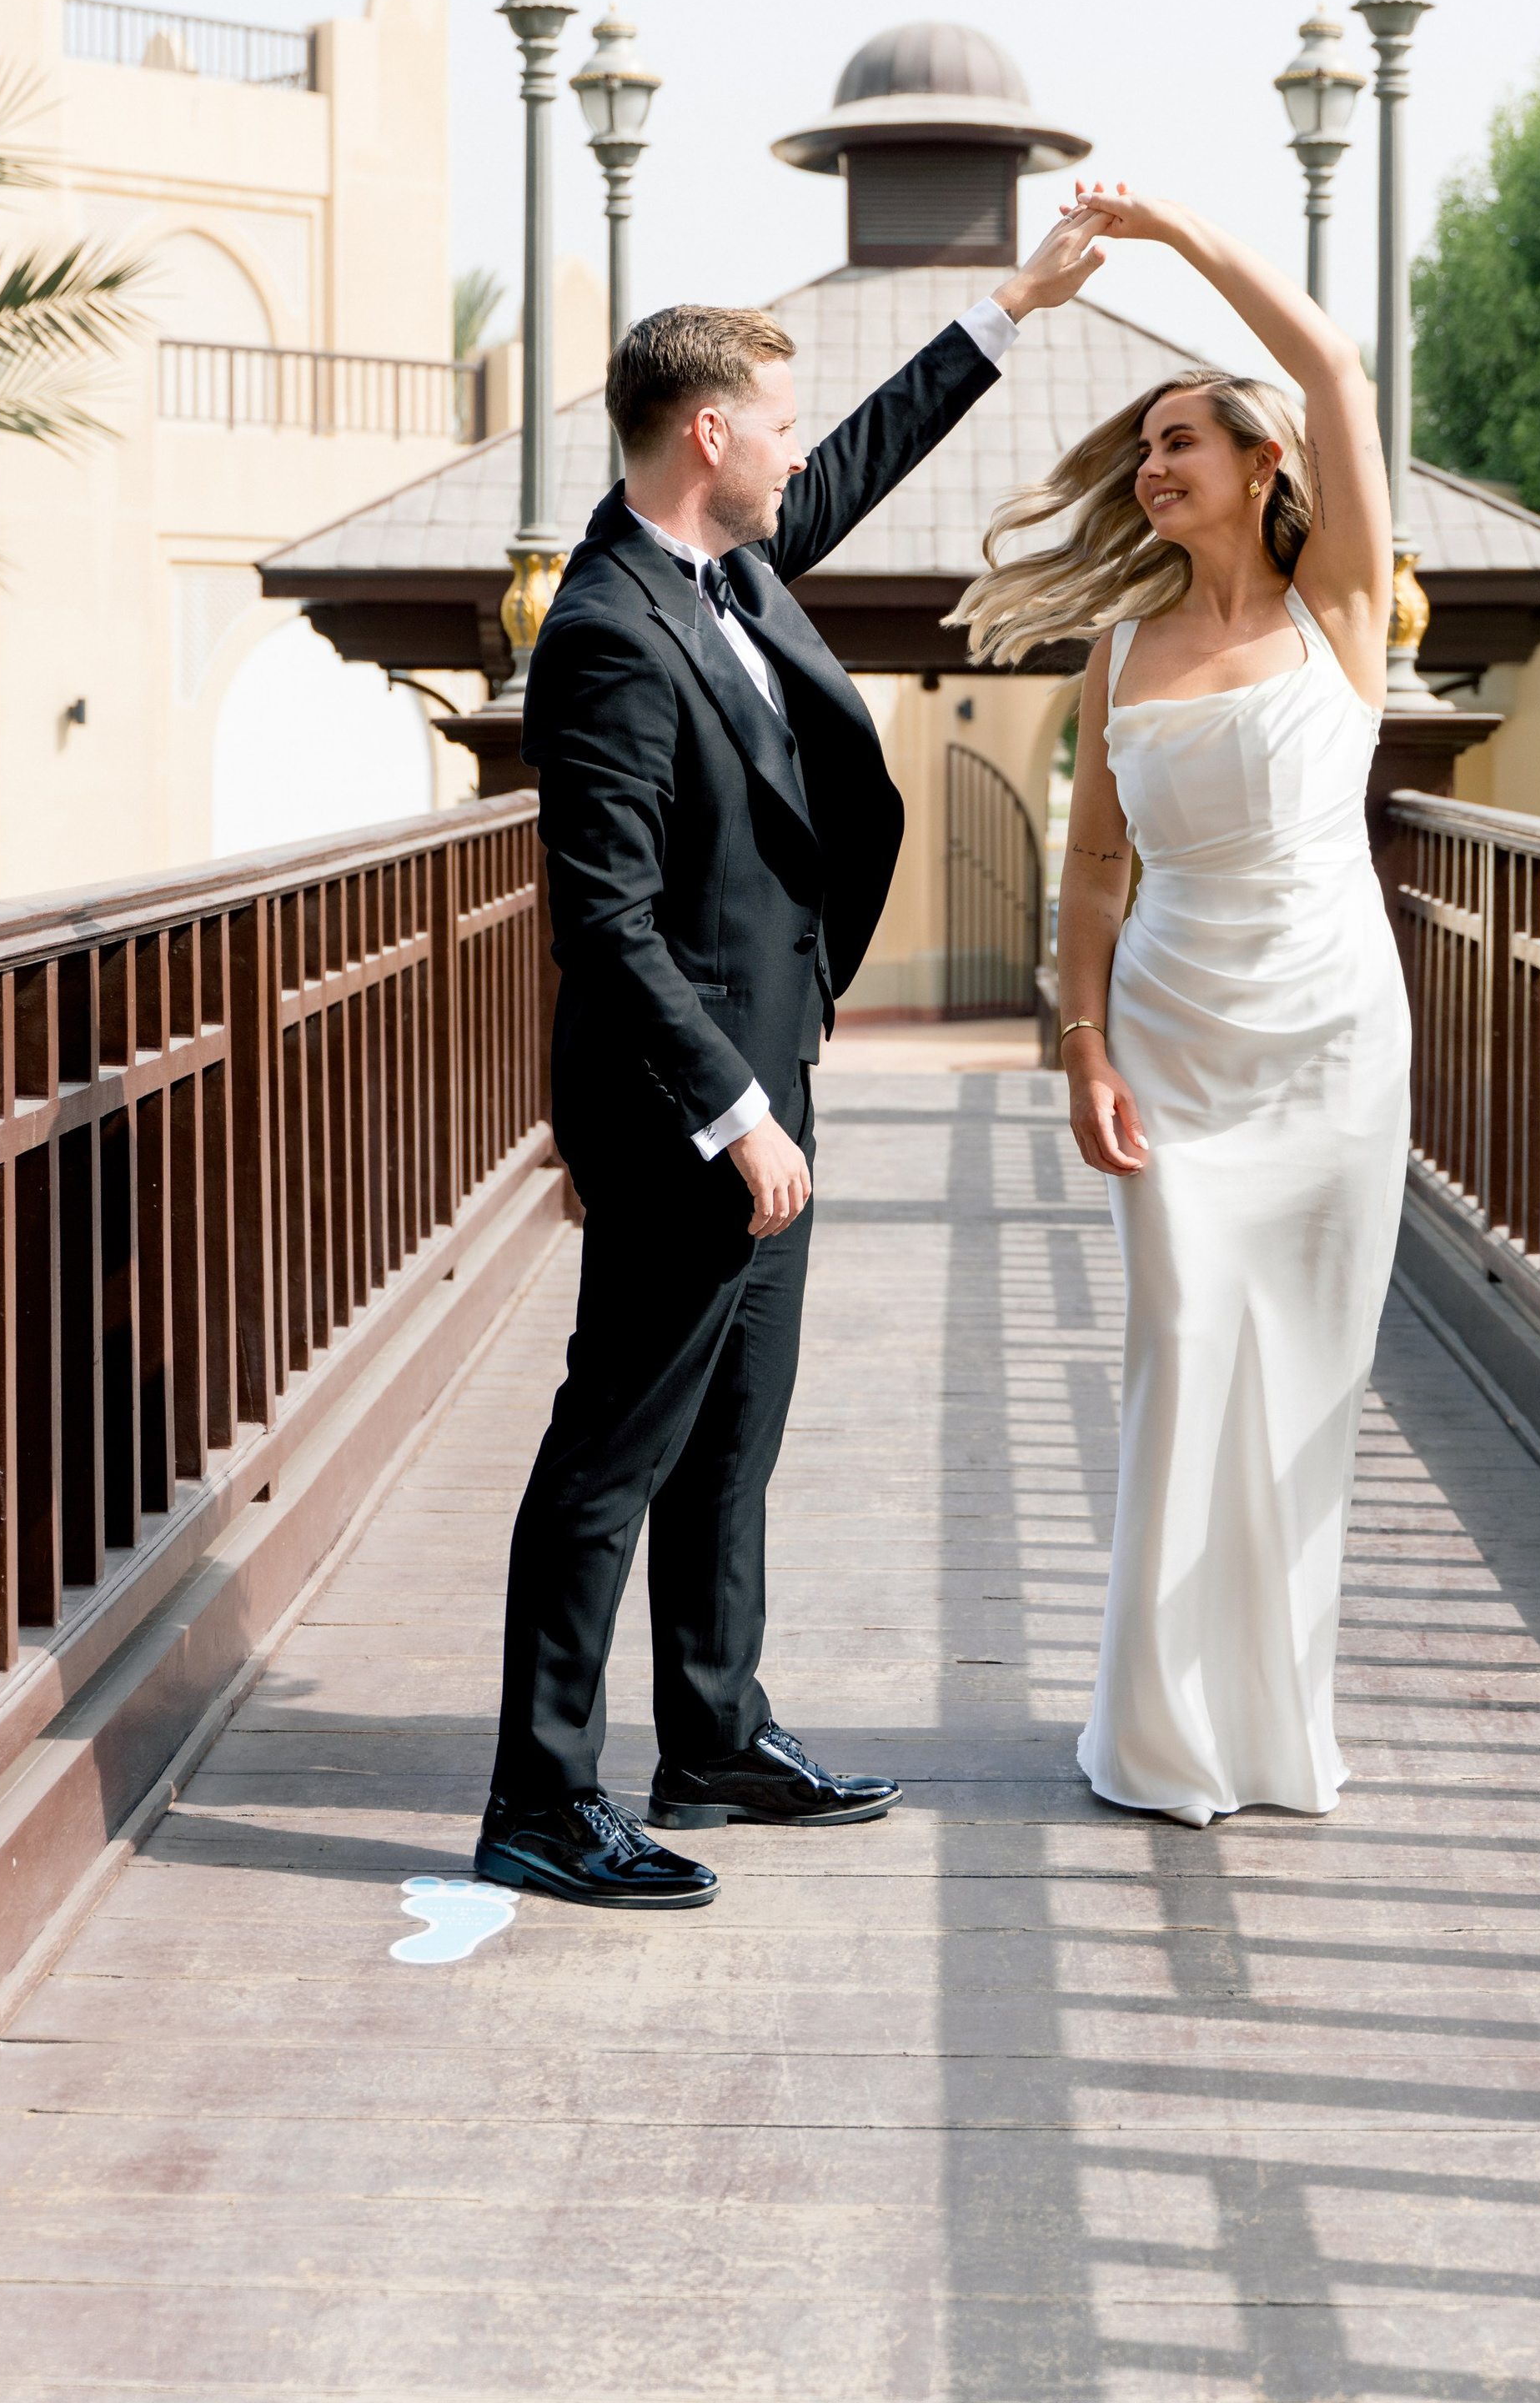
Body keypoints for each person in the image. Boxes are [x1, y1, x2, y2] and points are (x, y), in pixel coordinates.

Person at [479, 211, 1106, 1909]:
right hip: (689, 1107)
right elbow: (604, 925)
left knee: (735, 1432)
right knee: (614, 1447)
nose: (797, 448)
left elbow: (859, 470)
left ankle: (710, 1731)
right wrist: (735, 1111)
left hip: (768, 1079)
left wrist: (1008, 309)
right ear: (706, 436)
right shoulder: (609, 627)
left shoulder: (730, 566)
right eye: (776, 421)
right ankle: (540, 1800)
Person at [954, 183, 1408, 1829]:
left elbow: (1337, 373)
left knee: (1304, 1375)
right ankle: (1156, 1737)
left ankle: (1274, 1730)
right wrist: (1076, 1045)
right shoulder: (1119, 649)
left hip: (1333, 1040)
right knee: (1182, 1349)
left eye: (1179, 444)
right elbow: (1088, 875)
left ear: (1256, 463)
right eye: (1140, 450)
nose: (1151, 471)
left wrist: (1176, 246)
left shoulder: (1342, 605)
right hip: (1170, 1041)